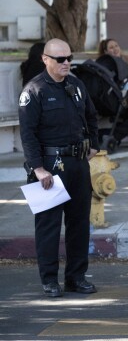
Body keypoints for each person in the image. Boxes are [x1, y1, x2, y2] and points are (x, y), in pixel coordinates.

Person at [18, 38, 100, 298]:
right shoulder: (34, 90)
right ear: (45, 59)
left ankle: (76, 277)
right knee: (49, 226)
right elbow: (27, 134)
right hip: (48, 168)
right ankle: (50, 280)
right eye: (60, 59)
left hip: (77, 164)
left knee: (79, 224)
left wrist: (94, 146)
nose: (66, 63)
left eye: (69, 58)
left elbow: (91, 116)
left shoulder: (76, 85)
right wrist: (38, 168)